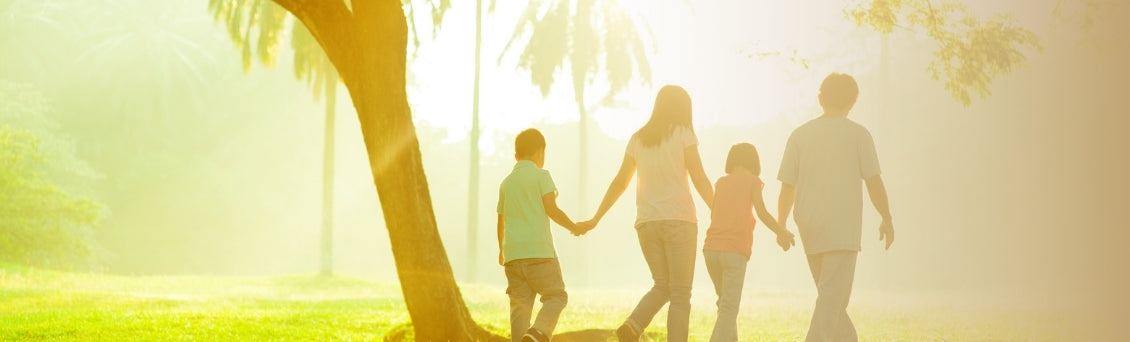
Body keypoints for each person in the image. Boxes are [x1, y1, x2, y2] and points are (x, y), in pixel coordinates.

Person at [579, 85, 714, 342]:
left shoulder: (638, 139)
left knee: (662, 285)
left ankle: (633, 325)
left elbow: (620, 182)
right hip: (679, 221)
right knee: (681, 294)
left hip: (647, 224)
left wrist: (596, 217)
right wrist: (718, 211)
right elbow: (698, 176)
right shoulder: (684, 134)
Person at [777, 73, 895, 342]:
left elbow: (787, 187)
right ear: (853, 102)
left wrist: (781, 225)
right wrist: (886, 217)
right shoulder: (858, 135)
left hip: (809, 227)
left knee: (831, 301)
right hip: (842, 230)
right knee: (831, 302)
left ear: (820, 99)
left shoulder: (800, 135)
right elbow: (873, 181)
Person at [497, 128, 585, 342]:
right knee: (556, 296)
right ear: (539, 152)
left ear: (516, 156)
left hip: (513, 256)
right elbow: (551, 209)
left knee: (520, 308)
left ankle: (525, 338)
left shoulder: (506, 183)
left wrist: (502, 250)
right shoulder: (541, 176)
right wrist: (572, 226)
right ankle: (537, 333)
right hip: (540, 253)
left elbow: (501, 221)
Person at [702, 143, 796, 342]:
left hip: (710, 250)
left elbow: (714, 212)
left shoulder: (720, 183)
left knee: (725, 304)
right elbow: (761, 212)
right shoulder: (752, 182)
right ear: (754, 163)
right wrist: (781, 231)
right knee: (729, 308)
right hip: (734, 252)